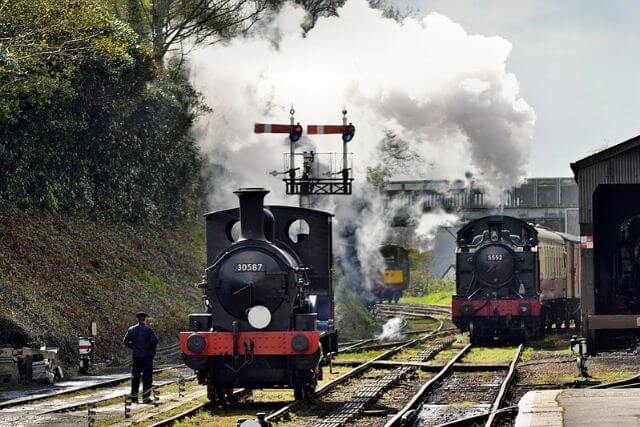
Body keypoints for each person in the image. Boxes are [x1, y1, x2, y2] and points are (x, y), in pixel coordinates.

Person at [123, 312, 158, 403]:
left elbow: (125, 341)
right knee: (147, 378)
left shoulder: (131, 329)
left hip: (136, 357)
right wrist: (151, 351)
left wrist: (134, 347)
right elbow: (154, 341)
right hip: (147, 357)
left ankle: (134, 398)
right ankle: (146, 398)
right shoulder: (148, 330)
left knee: (135, 377)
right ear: (145, 319)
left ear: (137, 319)